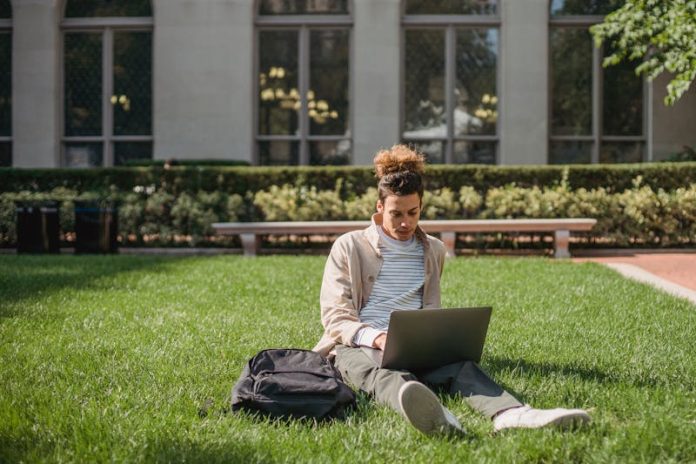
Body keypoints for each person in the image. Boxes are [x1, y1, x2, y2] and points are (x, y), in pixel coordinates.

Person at [312, 145, 590, 436]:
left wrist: (434, 341)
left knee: (462, 368)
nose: (405, 222)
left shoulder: (433, 249)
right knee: (381, 374)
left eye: (413, 212)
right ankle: (438, 417)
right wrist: (377, 337)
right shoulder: (350, 245)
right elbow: (335, 317)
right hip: (355, 343)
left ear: (422, 206)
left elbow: (430, 309)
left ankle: (512, 413)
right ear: (380, 208)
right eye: (396, 214)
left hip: (413, 345)